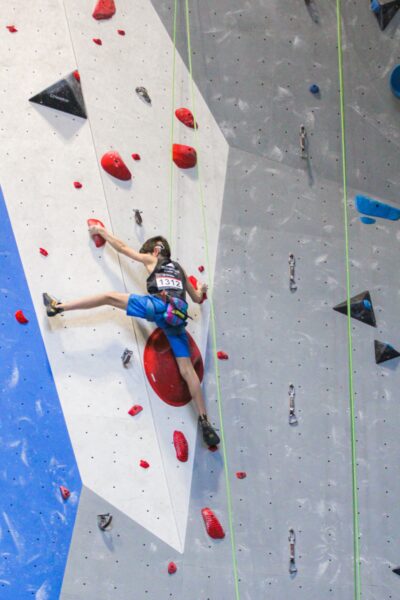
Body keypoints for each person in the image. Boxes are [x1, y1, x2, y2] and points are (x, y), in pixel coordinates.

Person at [43, 225, 220, 447]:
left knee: (109, 297)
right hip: (177, 318)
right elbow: (196, 297)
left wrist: (102, 232)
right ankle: (205, 422)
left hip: (158, 307)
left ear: (156, 251)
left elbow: (124, 249)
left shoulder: (155, 260)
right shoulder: (181, 271)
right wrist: (202, 289)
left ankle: (58, 307)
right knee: (187, 371)